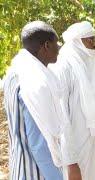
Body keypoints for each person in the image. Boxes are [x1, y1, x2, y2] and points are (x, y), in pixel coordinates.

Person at [3, 21, 64, 179]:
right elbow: (39, 143)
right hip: (36, 172)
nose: (59, 48)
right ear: (46, 46)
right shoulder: (35, 82)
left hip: (20, 166)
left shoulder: (15, 73)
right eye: (56, 43)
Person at [50, 21, 95, 180]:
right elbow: (62, 118)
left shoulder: (89, 64)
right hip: (75, 147)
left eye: (94, 39)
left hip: (93, 143)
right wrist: (71, 162)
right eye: (90, 40)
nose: (94, 44)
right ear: (77, 41)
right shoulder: (63, 67)